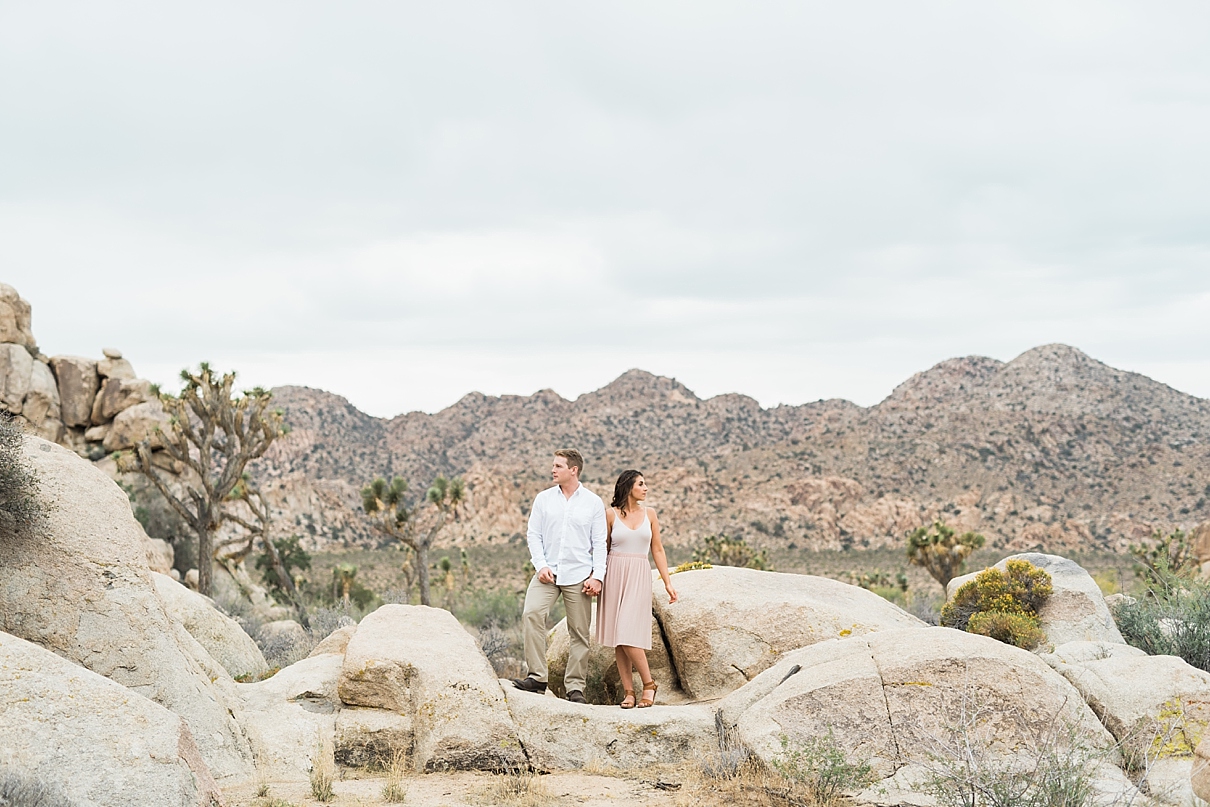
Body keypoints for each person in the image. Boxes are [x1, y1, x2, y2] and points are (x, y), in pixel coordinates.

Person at [512, 449, 607, 704]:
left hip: (579, 575)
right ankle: (537, 678)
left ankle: (575, 688)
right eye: (553, 465)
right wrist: (540, 565)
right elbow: (533, 534)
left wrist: (598, 577)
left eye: (558, 466)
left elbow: (600, 543)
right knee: (532, 614)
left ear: (573, 470)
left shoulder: (593, 502)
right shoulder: (543, 499)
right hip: (548, 573)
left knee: (579, 632)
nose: (552, 470)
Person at [596, 469, 677, 708]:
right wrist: (596, 578)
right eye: (641, 484)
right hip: (614, 575)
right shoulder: (610, 514)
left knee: (626, 631)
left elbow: (657, 549)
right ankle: (629, 692)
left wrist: (667, 581)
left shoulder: (650, 514)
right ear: (628, 486)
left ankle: (649, 684)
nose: (645, 488)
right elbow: (602, 549)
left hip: (639, 575)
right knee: (619, 638)